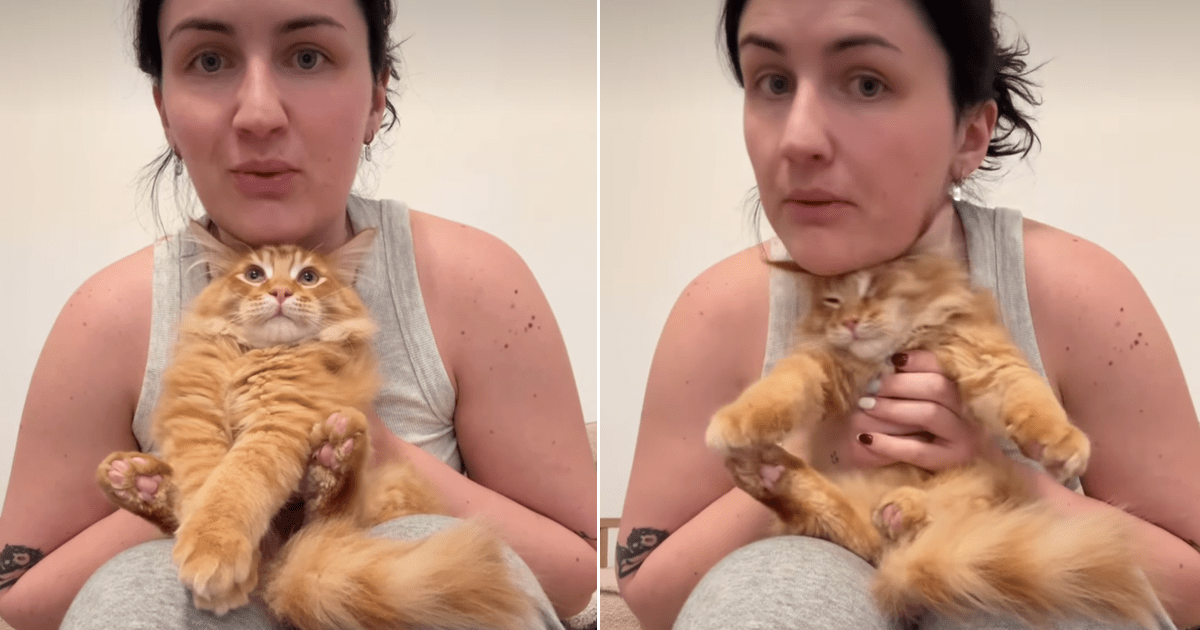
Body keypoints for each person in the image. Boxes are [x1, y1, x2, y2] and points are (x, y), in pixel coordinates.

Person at [0, 0, 597, 628]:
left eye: (308, 57)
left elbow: (575, 573)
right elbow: (19, 591)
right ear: (165, 111)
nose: (258, 114)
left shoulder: (476, 282)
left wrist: (376, 449)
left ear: (376, 96)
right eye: (209, 60)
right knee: (141, 583)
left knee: (417, 536)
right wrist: (212, 487)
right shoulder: (106, 318)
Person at [616, 0, 1200, 629]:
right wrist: (810, 454)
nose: (798, 139)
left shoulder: (1075, 290)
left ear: (969, 134)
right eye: (774, 82)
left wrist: (1008, 476)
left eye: (867, 83)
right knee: (770, 586)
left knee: (1003, 606)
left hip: (1000, 570)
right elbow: (648, 590)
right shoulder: (718, 312)